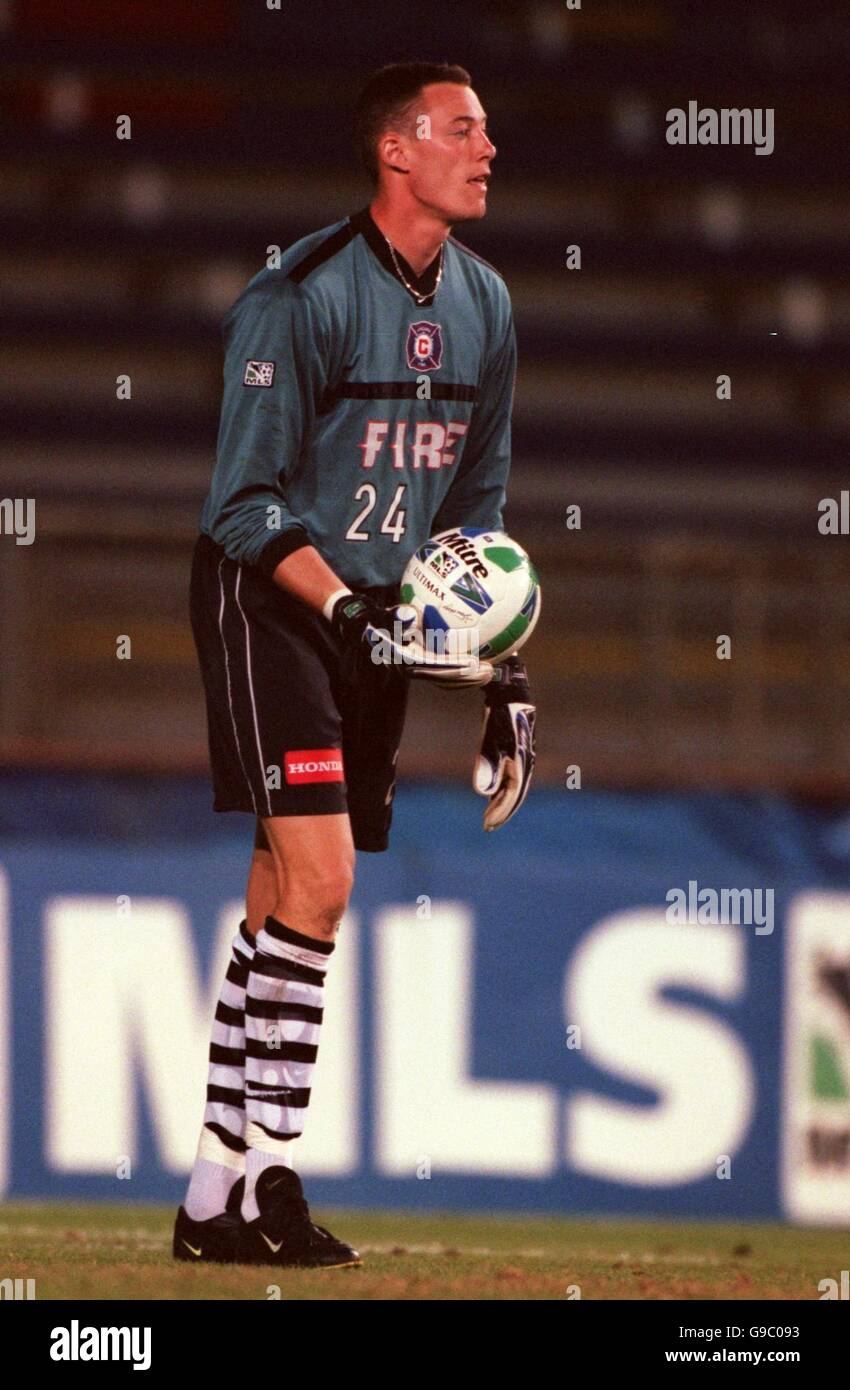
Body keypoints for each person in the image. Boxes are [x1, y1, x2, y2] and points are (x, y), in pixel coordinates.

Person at [173, 60, 537, 1269]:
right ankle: (272, 1168)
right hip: (278, 604)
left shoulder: (486, 305)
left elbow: (474, 528)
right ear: (397, 150)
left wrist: (503, 680)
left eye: (486, 131)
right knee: (320, 881)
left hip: (378, 616)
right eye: (463, 129)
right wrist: (343, 614)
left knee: (286, 891)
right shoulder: (298, 294)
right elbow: (240, 506)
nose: (487, 148)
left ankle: (214, 1190)